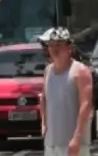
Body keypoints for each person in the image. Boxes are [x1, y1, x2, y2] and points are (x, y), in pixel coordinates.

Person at [38, 27, 93, 156]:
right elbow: (44, 99)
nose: (54, 49)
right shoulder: (48, 71)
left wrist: (77, 138)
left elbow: (86, 105)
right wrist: (43, 124)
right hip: (51, 144)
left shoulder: (81, 71)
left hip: (73, 145)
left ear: (69, 47)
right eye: (51, 45)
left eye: (59, 44)